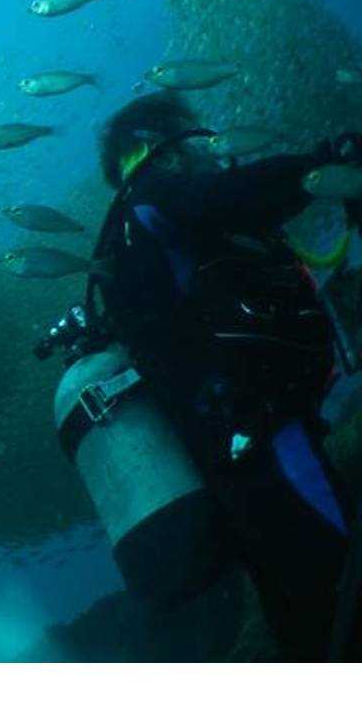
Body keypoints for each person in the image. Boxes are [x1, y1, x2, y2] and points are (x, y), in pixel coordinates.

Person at [91, 92, 361, 660]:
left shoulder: (126, 244)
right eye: (199, 139)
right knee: (340, 583)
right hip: (266, 437)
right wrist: (324, 166)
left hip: (229, 460)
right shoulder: (153, 196)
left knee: (302, 615)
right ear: (160, 147)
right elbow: (232, 196)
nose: (212, 152)